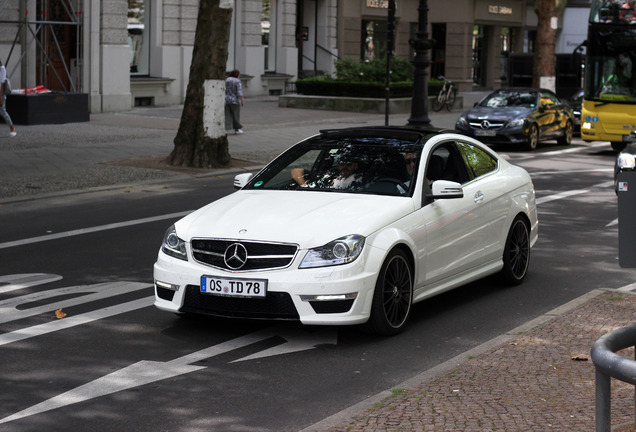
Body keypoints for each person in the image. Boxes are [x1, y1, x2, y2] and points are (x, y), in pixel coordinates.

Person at [225, 69, 244, 134]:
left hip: (227, 100)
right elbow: (239, 91)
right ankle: (237, 129)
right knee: (236, 115)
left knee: (227, 115)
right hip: (235, 100)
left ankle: (226, 128)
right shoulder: (237, 81)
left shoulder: (227, 80)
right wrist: (242, 100)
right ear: (237, 75)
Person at [0, 59, 16, 137]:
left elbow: (2, 83)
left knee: (3, 111)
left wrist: (0, 96)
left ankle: (12, 127)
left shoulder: (2, 68)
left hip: (1, 93)